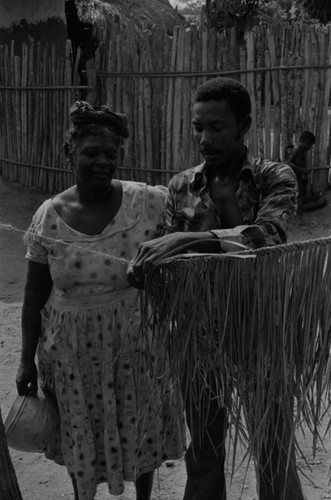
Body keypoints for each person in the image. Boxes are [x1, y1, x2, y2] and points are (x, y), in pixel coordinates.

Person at [129, 77, 304, 500]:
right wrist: (150, 273)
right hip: (198, 330)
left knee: (272, 441)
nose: (203, 138)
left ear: (243, 125)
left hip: (261, 324)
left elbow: (269, 235)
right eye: (197, 127)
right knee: (204, 447)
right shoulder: (181, 185)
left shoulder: (274, 176)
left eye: (216, 127)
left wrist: (187, 240)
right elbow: (167, 260)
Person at [15, 101, 185, 500]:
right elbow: (32, 296)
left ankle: (144, 497)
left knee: (140, 426)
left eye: (112, 153)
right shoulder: (48, 217)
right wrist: (24, 359)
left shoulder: (149, 203)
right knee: (79, 432)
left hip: (136, 345)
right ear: (70, 153)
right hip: (70, 355)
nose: (102, 161)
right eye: (91, 152)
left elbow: (181, 258)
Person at [286, 130, 315, 210]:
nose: (310, 147)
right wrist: (302, 169)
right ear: (304, 142)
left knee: (300, 193)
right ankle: (297, 207)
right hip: (294, 177)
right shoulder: (296, 150)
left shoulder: (302, 151)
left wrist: (304, 170)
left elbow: (301, 163)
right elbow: (288, 163)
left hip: (299, 177)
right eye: (309, 144)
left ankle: (300, 205)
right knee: (296, 194)